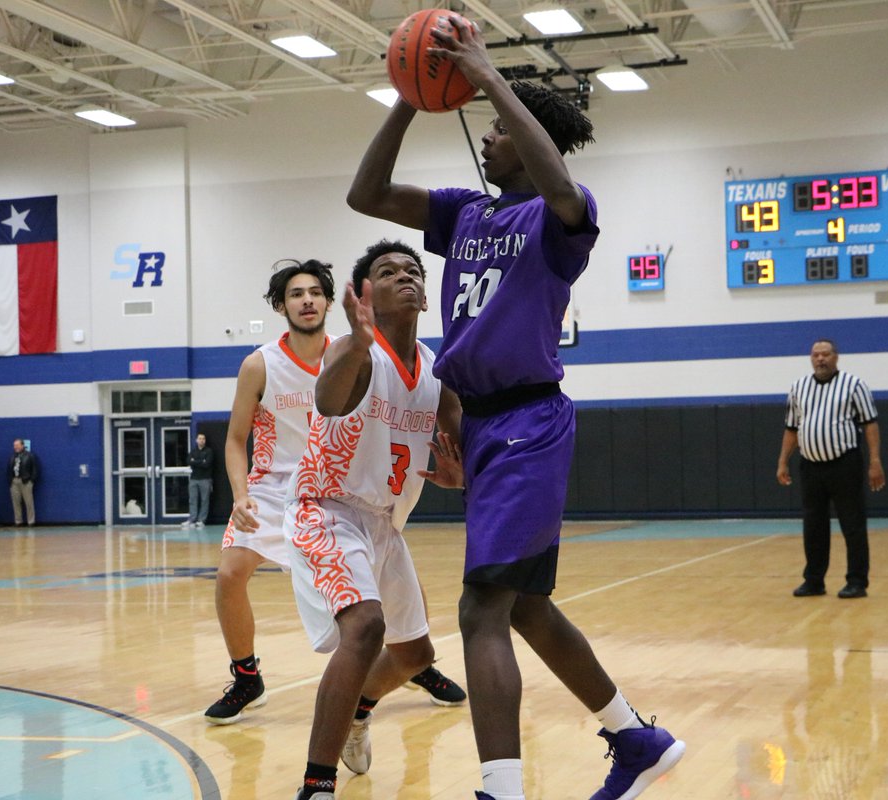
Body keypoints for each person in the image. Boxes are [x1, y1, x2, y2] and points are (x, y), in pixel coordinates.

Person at [346, 19, 683, 800]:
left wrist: (490, 76)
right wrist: (408, 98)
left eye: (499, 129)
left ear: (532, 139)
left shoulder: (564, 216)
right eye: (490, 126)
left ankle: (502, 789)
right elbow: (365, 195)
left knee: (478, 611)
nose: (488, 139)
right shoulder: (466, 213)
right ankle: (636, 737)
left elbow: (559, 185)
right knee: (525, 606)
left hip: (529, 423)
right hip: (480, 421)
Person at [206, 258, 465, 727]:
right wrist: (240, 494)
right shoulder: (260, 363)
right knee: (229, 575)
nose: (306, 300)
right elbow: (234, 439)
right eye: (294, 294)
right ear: (281, 305)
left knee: (394, 567)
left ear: (329, 301)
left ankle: (415, 663)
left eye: (314, 293)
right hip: (275, 484)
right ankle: (247, 676)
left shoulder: (356, 350)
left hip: (347, 479)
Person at [287, 241, 463, 800]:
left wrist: (463, 475)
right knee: (364, 628)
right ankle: (317, 783)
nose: (405, 276)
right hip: (327, 509)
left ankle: (360, 710)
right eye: (387, 272)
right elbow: (329, 395)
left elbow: (459, 441)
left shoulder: (438, 369)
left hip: (385, 524)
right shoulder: (353, 352)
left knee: (417, 656)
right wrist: (358, 342)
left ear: (425, 297)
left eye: (413, 270)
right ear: (366, 296)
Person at [777, 338, 885, 599]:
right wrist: (783, 461)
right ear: (810, 358)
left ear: (836, 357)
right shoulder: (798, 387)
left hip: (844, 464)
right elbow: (792, 428)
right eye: (815, 355)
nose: (820, 359)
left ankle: (857, 581)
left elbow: (870, 424)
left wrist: (875, 461)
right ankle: (814, 580)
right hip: (811, 466)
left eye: (825, 354)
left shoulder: (854, 385)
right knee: (813, 526)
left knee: (853, 524)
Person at [185, 433, 215, 528]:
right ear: (196, 440)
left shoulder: (209, 451)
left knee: (204, 500)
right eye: (200, 438)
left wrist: (195, 461)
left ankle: (201, 520)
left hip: (205, 479)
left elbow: (207, 464)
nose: (201, 440)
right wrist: (201, 461)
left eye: (203, 438)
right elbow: (189, 461)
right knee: (193, 499)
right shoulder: (193, 451)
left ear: (205, 441)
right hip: (194, 479)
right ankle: (192, 519)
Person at [8, 439, 38, 526]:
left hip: (26, 481)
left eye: (17, 445)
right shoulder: (12, 457)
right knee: (16, 502)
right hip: (14, 481)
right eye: (14, 446)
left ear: (22, 445)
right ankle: (18, 521)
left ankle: (31, 521)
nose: (15, 447)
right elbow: (9, 469)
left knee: (29, 502)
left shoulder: (30, 455)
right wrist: (10, 480)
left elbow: (35, 469)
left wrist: (31, 480)